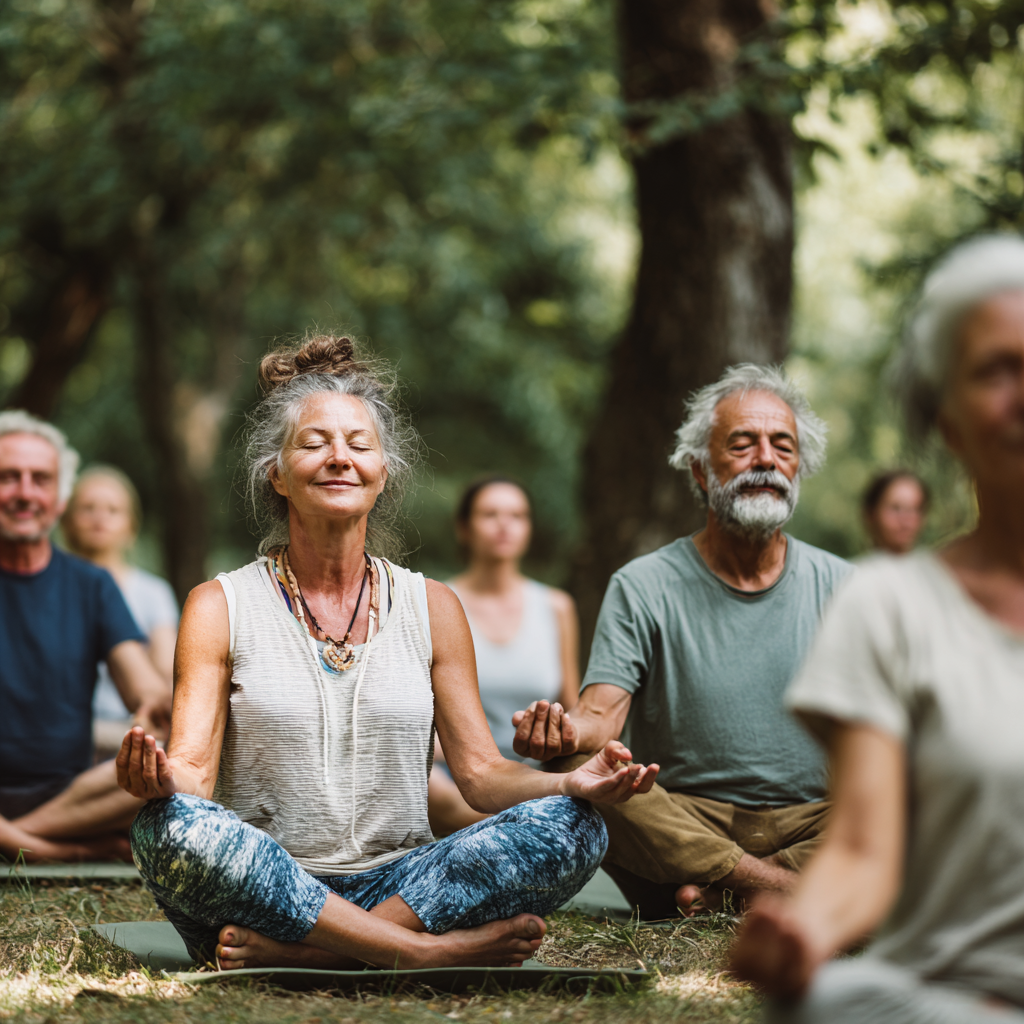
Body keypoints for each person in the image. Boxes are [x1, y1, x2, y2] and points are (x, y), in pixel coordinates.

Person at [117, 333, 659, 972]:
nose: (339, 458)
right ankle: (416, 953)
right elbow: (193, 775)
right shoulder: (219, 605)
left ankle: (322, 954)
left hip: (402, 884)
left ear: (383, 473)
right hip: (263, 886)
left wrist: (572, 779)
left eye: (359, 445)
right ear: (277, 473)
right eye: (314, 443)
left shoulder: (433, 606)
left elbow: (481, 777)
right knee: (168, 827)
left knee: (577, 825)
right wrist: (153, 780)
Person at [729, 235, 1024, 1022]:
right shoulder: (887, 602)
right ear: (947, 420)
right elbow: (862, 843)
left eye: (781, 443)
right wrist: (805, 930)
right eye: (997, 371)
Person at [512, 364, 851, 920]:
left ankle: (725, 895)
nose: (766, 459)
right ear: (699, 470)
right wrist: (562, 734)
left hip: (817, 820)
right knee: (579, 768)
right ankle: (785, 893)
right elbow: (600, 716)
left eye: (782, 446)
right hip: (682, 823)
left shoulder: (845, 586)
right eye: (742, 444)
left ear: (799, 466)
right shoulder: (643, 583)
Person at [0, 411, 172, 863]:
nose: (24, 492)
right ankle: (58, 851)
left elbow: (145, 688)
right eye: (8, 477)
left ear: (59, 498)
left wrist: (161, 708)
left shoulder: (92, 585)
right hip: (72, 820)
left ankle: (18, 841)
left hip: (74, 797)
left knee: (170, 761)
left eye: (40, 479)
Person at [427, 477, 580, 835]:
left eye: (517, 515)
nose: (504, 525)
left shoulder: (557, 607)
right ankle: (531, 829)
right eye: (490, 514)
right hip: (455, 777)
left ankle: (520, 825)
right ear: (464, 528)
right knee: (425, 784)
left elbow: (571, 704)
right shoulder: (433, 600)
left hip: (535, 774)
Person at [62, 466, 179, 760]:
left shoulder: (154, 592)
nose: (100, 518)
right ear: (65, 520)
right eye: (88, 508)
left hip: (128, 726)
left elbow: (165, 672)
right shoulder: (49, 587)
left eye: (113, 510)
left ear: (131, 527)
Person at [860, 470, 929, 555]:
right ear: (871, 513)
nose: (906, 520)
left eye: (915, 509)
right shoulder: (859, 568)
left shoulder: (937, 565)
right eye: (895, 508)